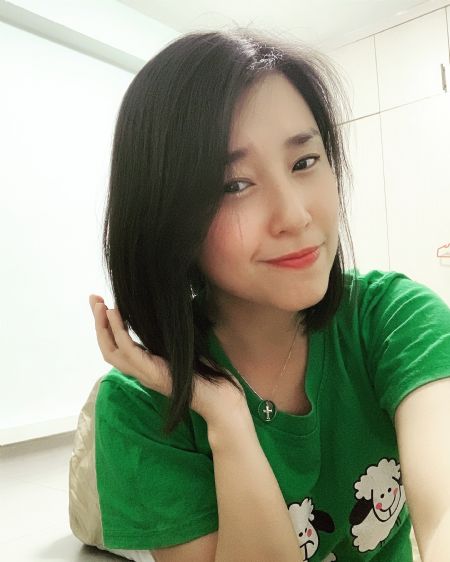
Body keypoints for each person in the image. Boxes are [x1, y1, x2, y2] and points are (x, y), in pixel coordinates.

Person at [69, 28, 450, 562]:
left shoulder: (393, 320)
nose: (295, 215)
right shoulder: (141, 407)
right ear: (167, 218)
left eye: (304, 162)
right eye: (234, 185)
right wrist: (225, 417)